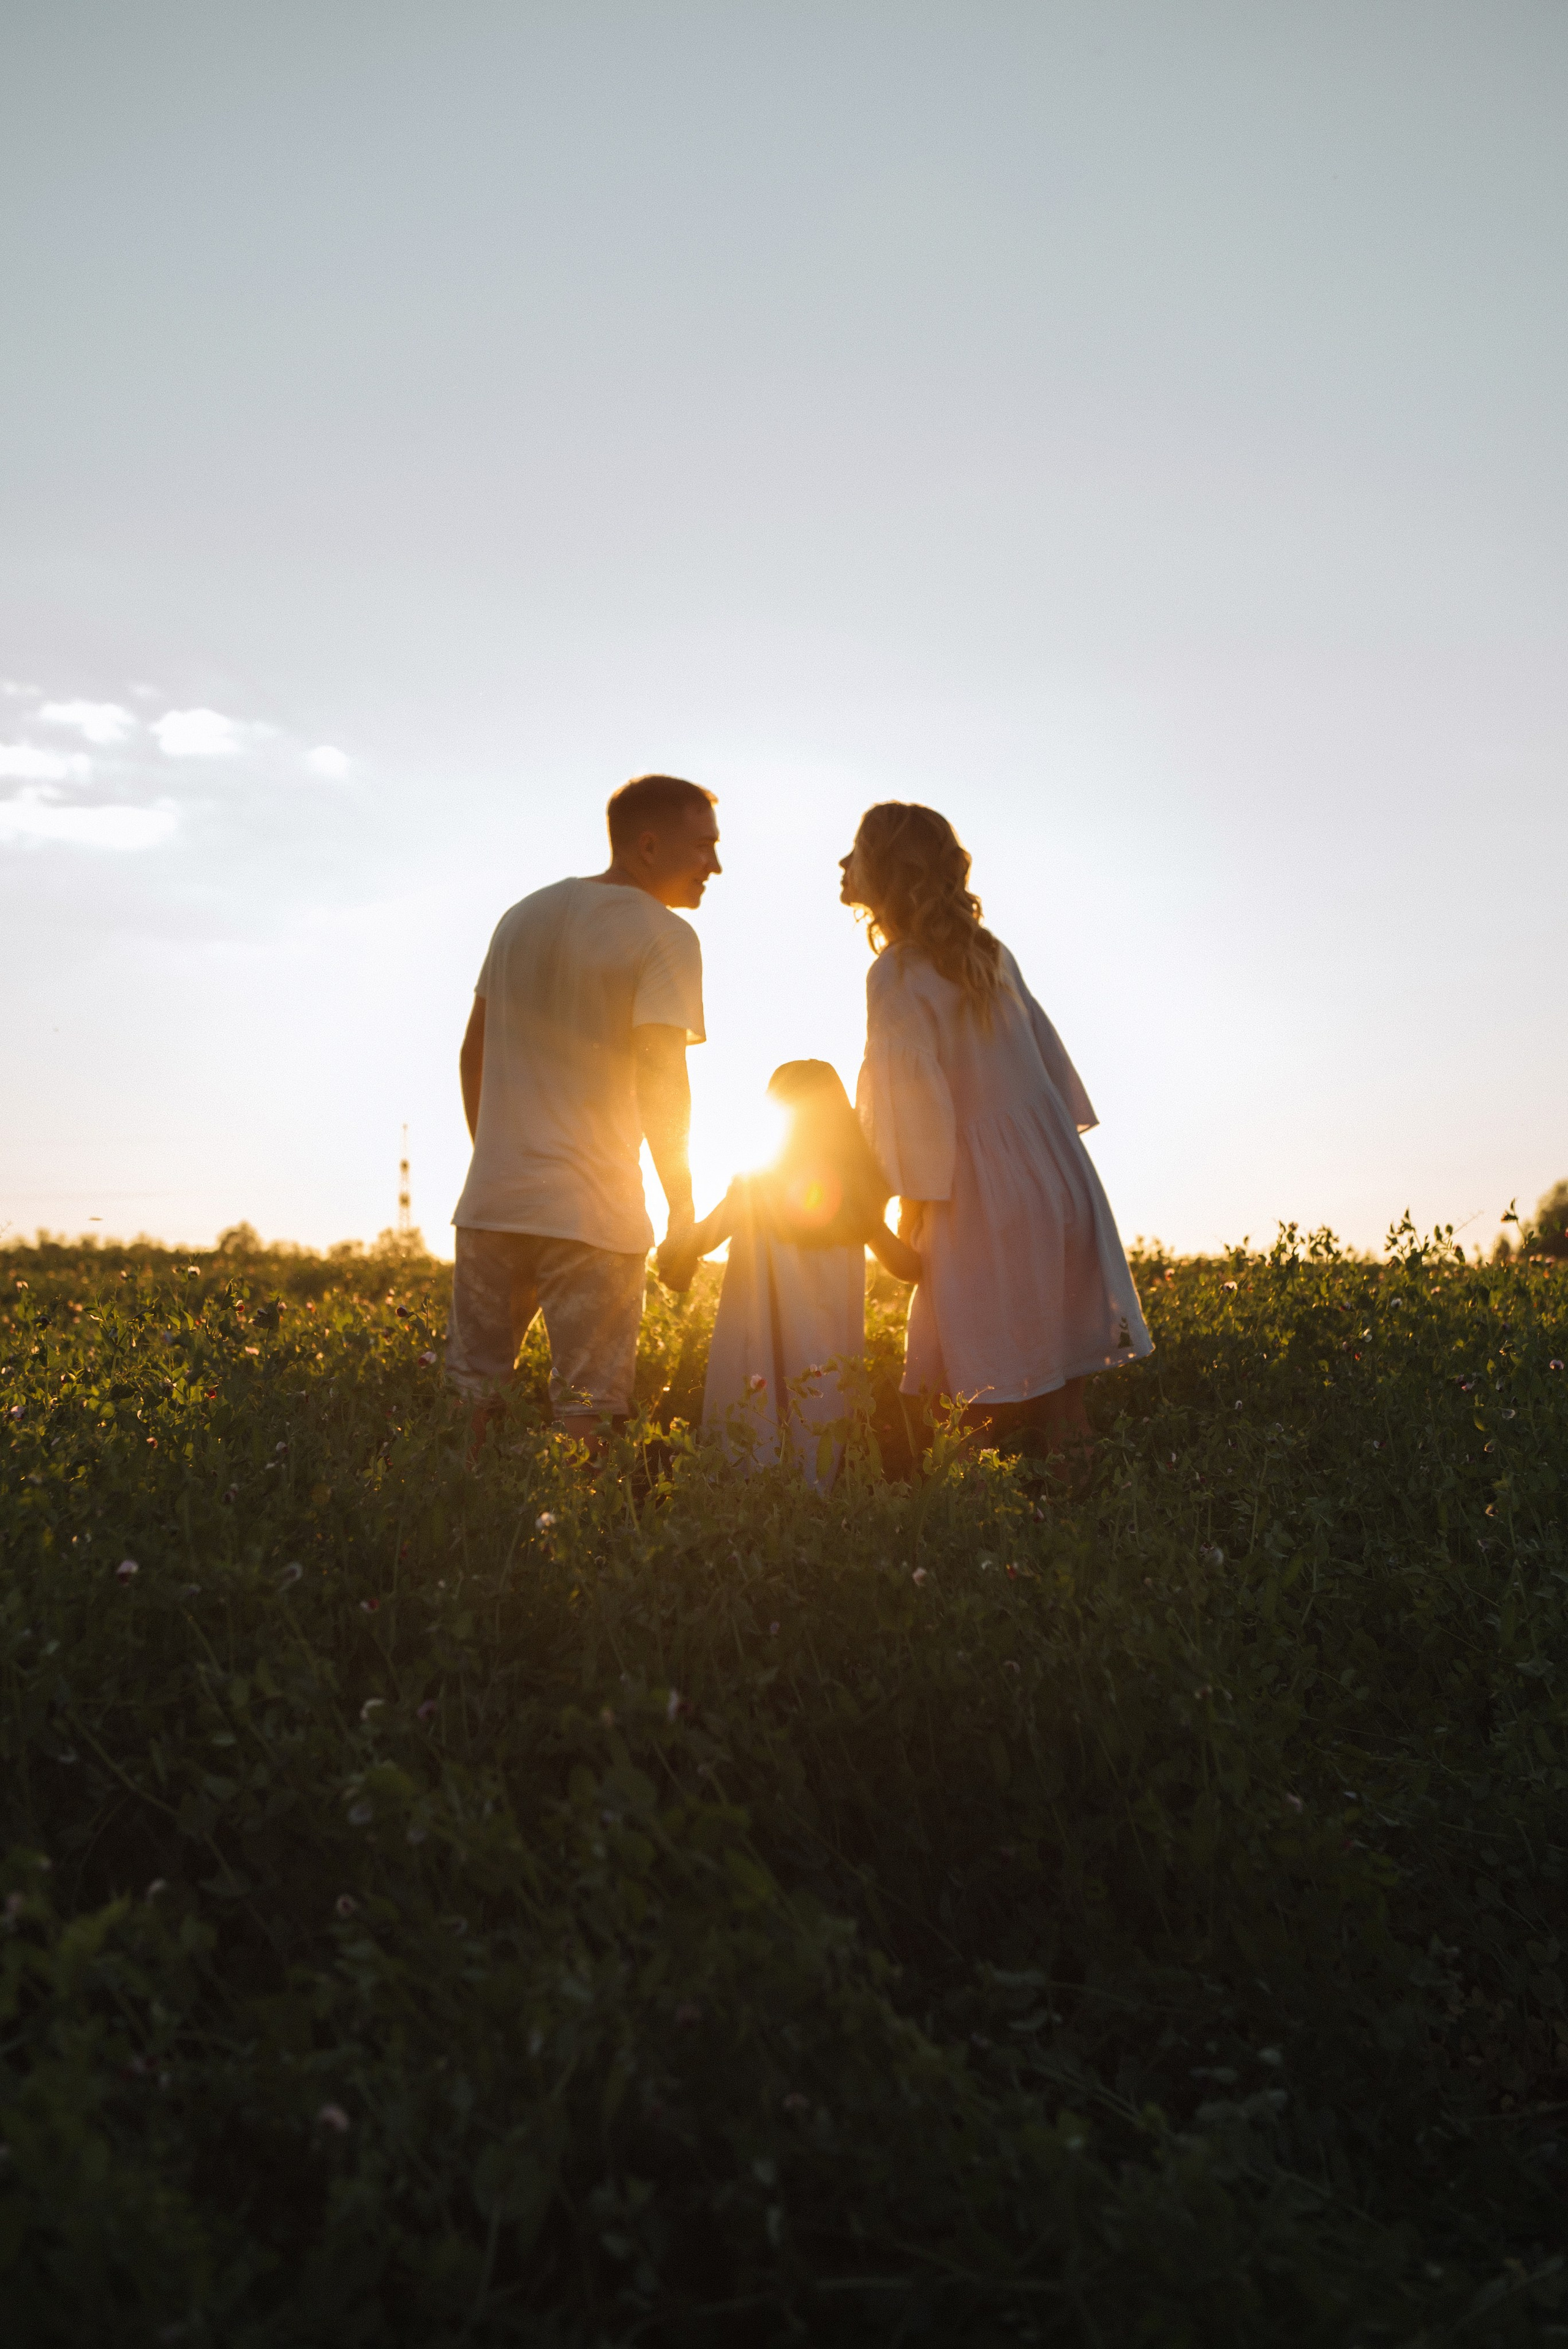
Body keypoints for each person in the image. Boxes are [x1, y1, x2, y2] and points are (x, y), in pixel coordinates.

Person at [840, 801, 1151, 1465]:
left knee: (969, 1399)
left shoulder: (893, 972)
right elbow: (1052, 1077)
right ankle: (1094, 1540)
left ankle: (969, 1550)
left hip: (978, 1196)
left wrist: (911, 1214)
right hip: (1060, 1180)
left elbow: (911, 1105)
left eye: (855, 853)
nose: (842, 865)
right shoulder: (991, 953)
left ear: (885, 871)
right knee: (1065, 1398)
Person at [447, 773, 720, 1447]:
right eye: (703, 847)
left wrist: (500, 1156)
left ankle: (462, 1539)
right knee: (587, 1411)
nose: (716, 865)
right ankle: (577, 1547)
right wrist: (682, 1205)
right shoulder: (665, 937)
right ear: (649, 846)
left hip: (492, 1204)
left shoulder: (522, 915)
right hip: (593, 1214)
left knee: (472, 1396)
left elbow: (471, 1055)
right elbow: (662, 1078)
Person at [658, 1060, 919, 1481]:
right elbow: (907, 1267)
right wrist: (925, 1220)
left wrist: (669, 1254)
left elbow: (698, 1241)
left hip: (758, 1346)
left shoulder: (755, 1189)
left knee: (750, 1435)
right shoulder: (856, 1197)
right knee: (819, 1442)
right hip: (827, 1358)